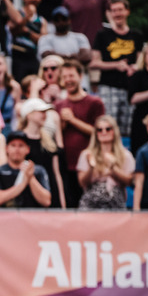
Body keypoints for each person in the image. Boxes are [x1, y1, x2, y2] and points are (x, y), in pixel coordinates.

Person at [54, 59, 104, 208]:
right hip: (66, 165)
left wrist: (73, 120)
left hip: (90, 167)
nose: (68, 80)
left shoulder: (95, 102)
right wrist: (62, 124)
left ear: (80, 76)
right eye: (65, 77)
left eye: (71, 76)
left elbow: (100, 132)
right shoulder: (58, 105)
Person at [91, 0, 142, 139]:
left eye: (120, 10)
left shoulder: (136, 35)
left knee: (129, 128)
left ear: (127, 12)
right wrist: (116, 65)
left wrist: (135, 67)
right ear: (110, 14)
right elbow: (94, 62)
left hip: (130, 87)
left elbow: (141, 61)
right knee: (108, 126)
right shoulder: (102, 35)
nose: (117, 14)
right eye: (114, 11)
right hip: (108, 87)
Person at [76, 114, 134, 210]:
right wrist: (91, 167)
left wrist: (113, 168)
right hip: (90, 204)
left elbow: (129, 181)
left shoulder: (125, 155)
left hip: (116, 203)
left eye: (108, 129)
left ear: (114, 131)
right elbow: (82, 182)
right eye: (99, 130)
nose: (104, 132)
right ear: (96, 133)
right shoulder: (87, 154)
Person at [16, 97, 65, 209]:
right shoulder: (18, 140)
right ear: (29, 114)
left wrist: (62, 202)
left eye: (45, 112)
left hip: (50, 192)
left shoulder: (49, 142)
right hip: (27, 196)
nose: (45, 115)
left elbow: (56, 174)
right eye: (41, 111)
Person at [0, 130, 52, 208]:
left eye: (21, 145)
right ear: (6, 148)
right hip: (6, 217)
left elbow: (46, 201)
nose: (17, 149)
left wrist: (30, 177)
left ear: (28, 149)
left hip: (32, 217)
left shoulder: (38, 171)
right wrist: (23, 183)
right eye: (13, 145)